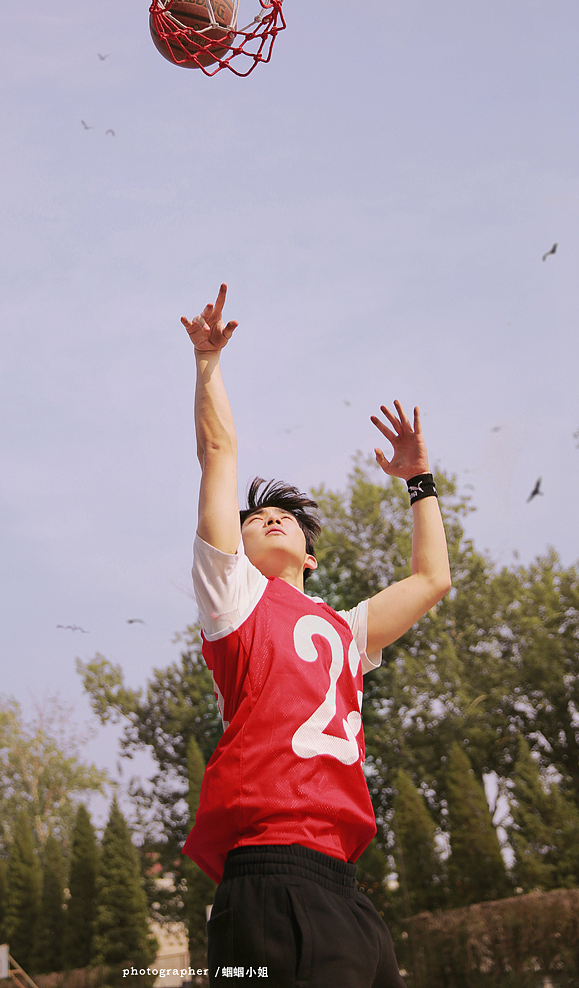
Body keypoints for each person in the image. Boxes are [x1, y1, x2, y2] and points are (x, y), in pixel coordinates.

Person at [179, 284, 452, 988]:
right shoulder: (235, 600)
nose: (269, 519)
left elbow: (431, 580)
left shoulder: (345, 631)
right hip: (267, 875)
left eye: (286, 518)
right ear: (236, 547)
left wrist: (419, 480)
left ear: (311, 556)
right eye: (253, 519)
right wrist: (208, 361)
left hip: (345, 888)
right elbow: (219, 451)